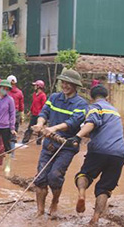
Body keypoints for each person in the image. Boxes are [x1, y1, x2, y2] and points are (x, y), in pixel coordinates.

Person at [68, 85, 124, 227]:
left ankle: (82, 194)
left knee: (84, 174)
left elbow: (91, 123)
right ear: (107, 97)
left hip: (99, 150)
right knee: (105, 188)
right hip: (119, 153)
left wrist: (77, 136)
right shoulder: (115, 111)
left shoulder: (94, 107)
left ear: (91, 97)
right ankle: (95, 220)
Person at [32, 69, 88, 217]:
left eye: (68, 83)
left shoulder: (81, 104)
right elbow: (44, 112)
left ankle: (55, 202)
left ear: (75, 86)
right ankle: (39, 210)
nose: (65, 85)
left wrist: (54, 128)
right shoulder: (54, 97)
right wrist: (40, 124)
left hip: (66, 146)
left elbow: (73, 121)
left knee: (55, 176)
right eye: (63, 82)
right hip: (49, 143)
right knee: (40, 177)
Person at [22, 80, 47, 145]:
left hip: (39, 115)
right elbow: (33, 104)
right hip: (34, 114)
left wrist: (43, 115)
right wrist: (30, 111)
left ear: (39, 87)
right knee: (30, 128)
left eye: (35, 85)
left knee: (39, 130)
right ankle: (25, 141)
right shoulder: (34, 95)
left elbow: (44, 106)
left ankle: (38, 142)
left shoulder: (43, 96)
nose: (34, 87)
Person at [6, 75, 24, 155]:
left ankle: (6, 153)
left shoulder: (6, 92)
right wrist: (22, 116)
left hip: (6, 114)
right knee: (13, 133)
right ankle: (11, 154)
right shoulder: (19, 92)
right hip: (16, 114)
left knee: (5, 133)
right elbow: (21, 106)